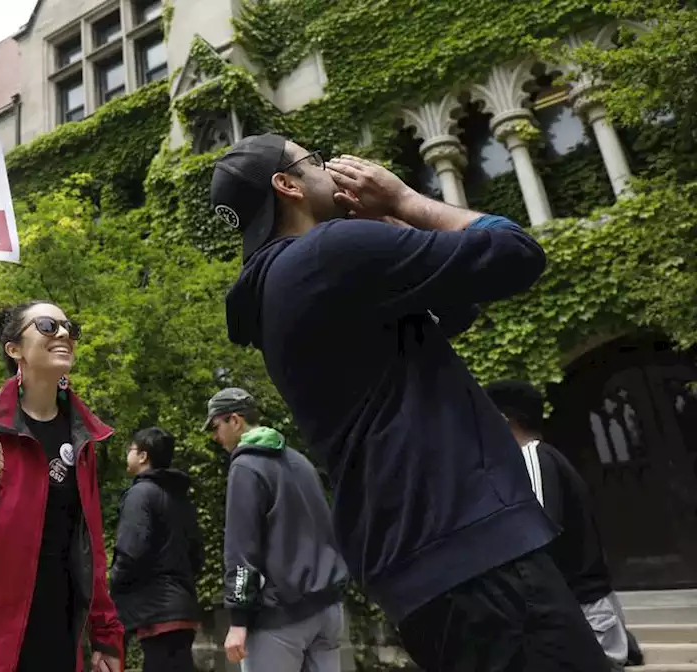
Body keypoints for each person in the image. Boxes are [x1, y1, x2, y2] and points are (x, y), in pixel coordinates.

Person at [212, 133, 607, 670]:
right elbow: (516, 253)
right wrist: (404, 201)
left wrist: (389, 230)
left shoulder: (280, 286)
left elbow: (450, 313)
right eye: (316, 161)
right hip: (471, 549)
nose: (331, 169)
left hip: (421, 567)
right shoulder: (329, 252)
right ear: (288, 186)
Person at [0, 301, 124, 672]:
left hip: (56, 642)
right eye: (49, 326)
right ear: (14, 348)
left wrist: (105, 634)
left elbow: (91, 546)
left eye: (70, 326)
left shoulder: (81, 436)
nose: (65, 333)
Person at [485, 380, 632, 671]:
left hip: (578, 614)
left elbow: (534, 542)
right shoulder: (547, 457)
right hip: (584, 613)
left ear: (501, 419)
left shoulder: (532, 457)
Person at [203, 388, 348, 671]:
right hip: (328, 609)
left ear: (235, 420)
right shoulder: (299, 461)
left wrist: (239, 621)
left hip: (281, 617)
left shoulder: (246, 467)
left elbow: (242, 551)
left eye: (215, 426)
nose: (214, 436)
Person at [109, 427, 203, 672]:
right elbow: (196, 554)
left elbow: (132, 550)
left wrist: (112, 586)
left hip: (157, 610)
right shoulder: (180, 497)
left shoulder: (140, 494)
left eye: (130, 449)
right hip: (182, 607)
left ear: (143, 456)